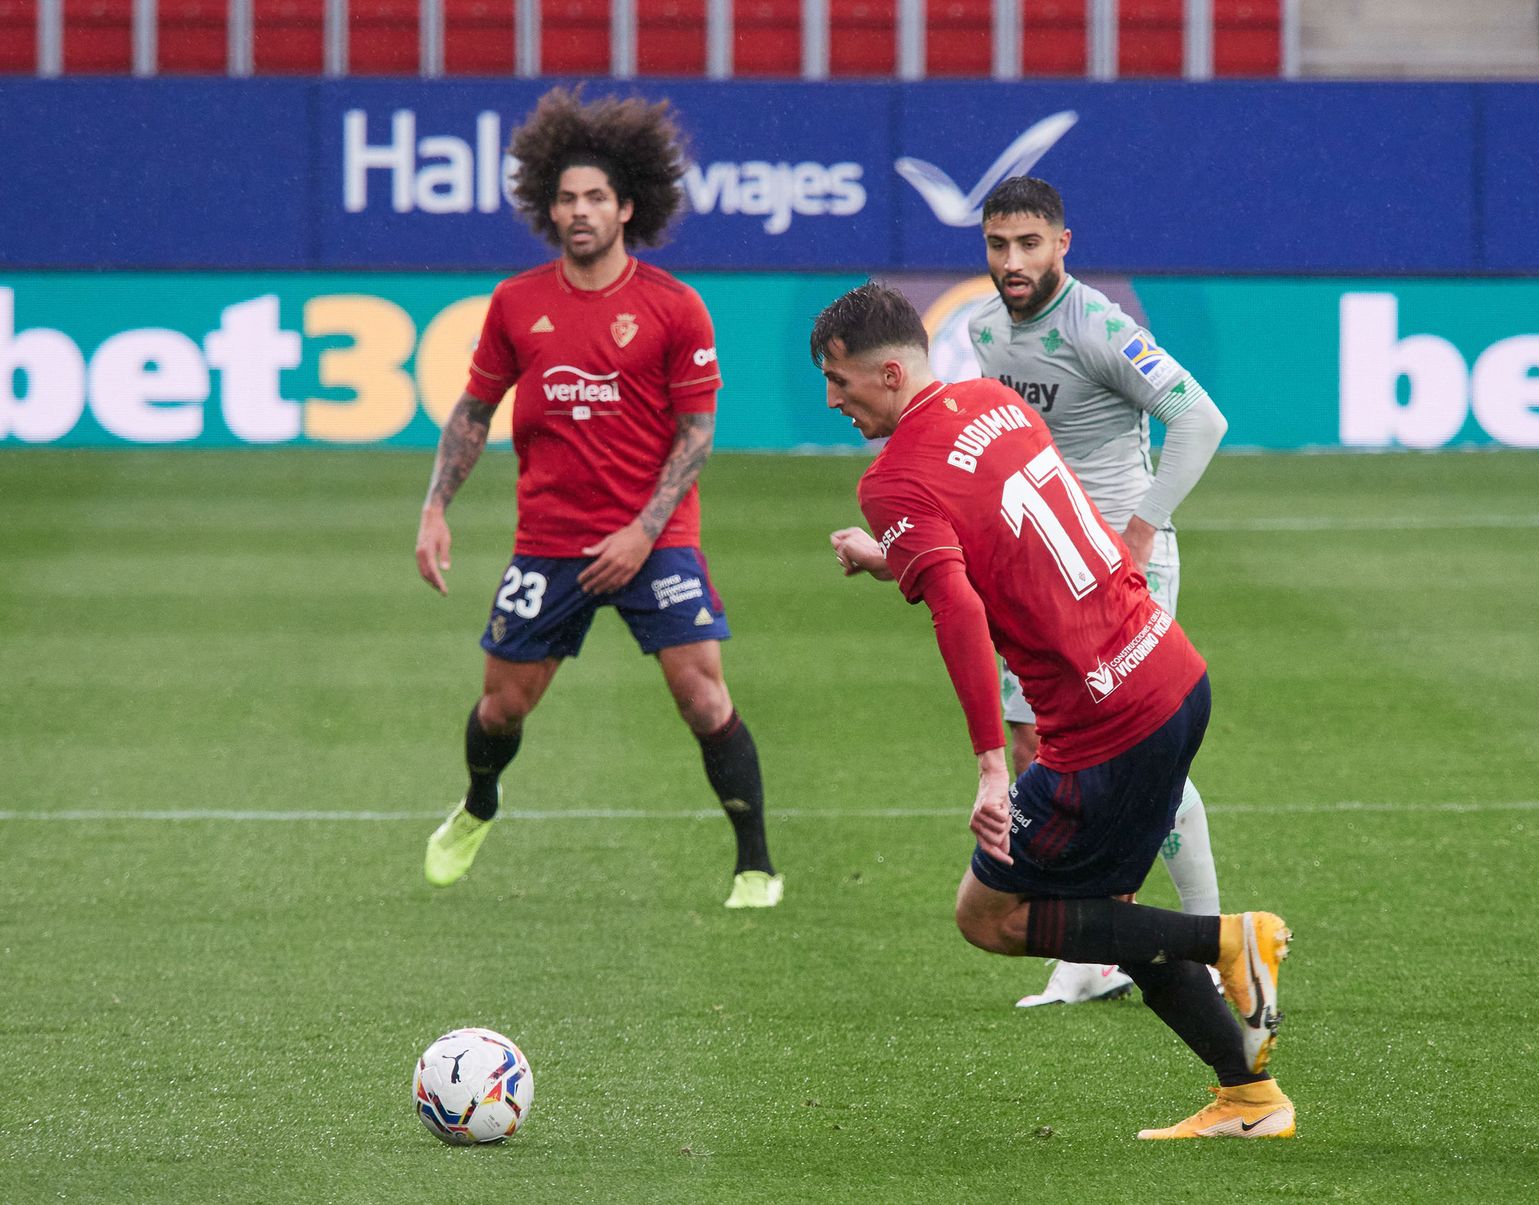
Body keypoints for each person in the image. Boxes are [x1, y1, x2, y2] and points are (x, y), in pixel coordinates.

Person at [818, 282, 1292, 1139]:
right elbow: (999, 538)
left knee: (987, 913)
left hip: (1105, 723)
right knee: (1106, 901)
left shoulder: (891, 478)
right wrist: (891, 555)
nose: (832, 400)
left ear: (887, 373)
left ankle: (1230, 939)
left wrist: (993, 765)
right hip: (1173, 675)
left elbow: (959, 607)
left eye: (840, 382)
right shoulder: (994, 401)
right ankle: (1249, 1096)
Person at [413, 86, 782, 909]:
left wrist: (642, 535)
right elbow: (474, 412)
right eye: (566, 199)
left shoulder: (674, 307)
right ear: (548, 208)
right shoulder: (517, 303)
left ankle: (755, 862)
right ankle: (478, 804)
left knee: (702, 693)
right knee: (502, 707)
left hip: (656, 538)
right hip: (550, 538)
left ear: (627, 207)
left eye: (595, 199)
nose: (579, 212)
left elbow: (697, 433)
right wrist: (436, 508)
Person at [969, 177, 1231, 1008]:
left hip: (1121, 570)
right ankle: (1091, 955)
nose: (1013, 262)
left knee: (1136, 762)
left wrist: (1143, 529)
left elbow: (1200, 417)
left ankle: (1215, 938)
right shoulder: (984, 332)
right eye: (998, 245)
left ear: (1063, 244)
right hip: (1041, 576)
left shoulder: (1100, 326)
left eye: (1029, 244)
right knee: (1035, 755)